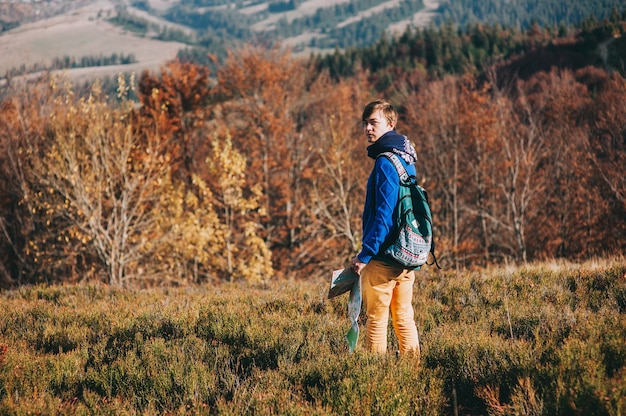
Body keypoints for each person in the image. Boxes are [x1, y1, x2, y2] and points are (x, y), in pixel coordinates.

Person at [350, 100, 420, 356]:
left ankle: (376, 379)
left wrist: (365, 255)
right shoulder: (406, 159)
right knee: (403, 318)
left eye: (373, 122)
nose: (367, 128)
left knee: (376, 320)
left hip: (383, 257)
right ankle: (412, 372)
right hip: (406, 254)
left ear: (390, 124)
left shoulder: (384, 163)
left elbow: (383, 216)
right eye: (365, 123)